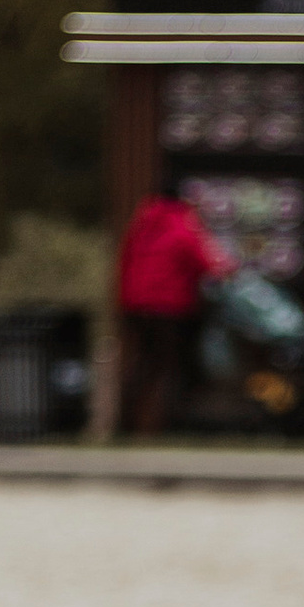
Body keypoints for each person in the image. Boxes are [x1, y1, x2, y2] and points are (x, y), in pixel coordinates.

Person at [117, 180, 231, 434]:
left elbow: (124, 264)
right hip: (169, 307)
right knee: (168, 366)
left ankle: (125, 424)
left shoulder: (140, 223)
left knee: (140, 364)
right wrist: (228, 269)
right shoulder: (181, 222)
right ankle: (163, 425)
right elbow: (207, 261)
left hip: (135, 306)